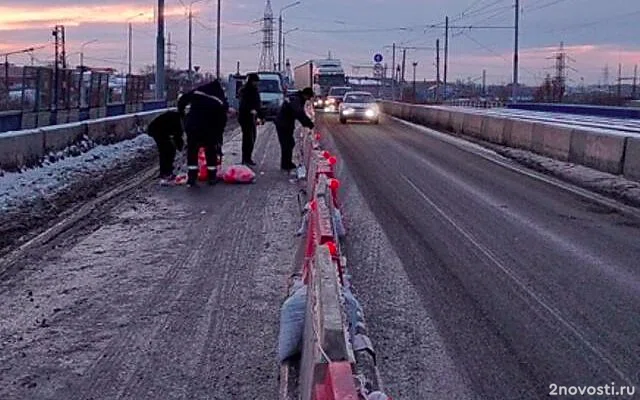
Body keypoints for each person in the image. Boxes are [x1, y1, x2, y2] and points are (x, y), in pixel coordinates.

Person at [178, 79, 229, 186]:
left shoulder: (197, 92)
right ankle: (211, 177)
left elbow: (181, 101)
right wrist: (219, 135)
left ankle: (192, 178)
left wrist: (182, 115)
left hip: (192, 127)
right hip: (209, 129)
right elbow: (222, 120)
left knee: (192, 151)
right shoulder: (219, 101)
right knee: (210, 151)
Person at [275, 87, 315, 171]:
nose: (308, 99)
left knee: (289, 143)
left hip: (285, 123)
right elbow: (299, 113)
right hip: (283, 124)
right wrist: (308, 123)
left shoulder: (296, 98)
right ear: (305, 95)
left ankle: (286, 163)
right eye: (308, 97)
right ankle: (286, 164)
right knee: (287, 144)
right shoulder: (296, 100)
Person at [146, 110, 184, 185]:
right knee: (168, 151)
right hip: (157, 130)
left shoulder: (177, 117)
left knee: (167, 150)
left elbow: (177, 136)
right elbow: (178, 136)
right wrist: (181, 148)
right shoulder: (177, 121)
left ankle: (165, 171)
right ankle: (166, 173)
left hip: (159, 130)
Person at [237, 73, 264, 166]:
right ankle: (245, 158)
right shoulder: (245, 91)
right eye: (255, 82)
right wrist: (250, 110)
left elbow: (257, 104)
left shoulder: (255, 91)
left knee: (252, 137)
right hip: (245, 117)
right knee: (248, 138)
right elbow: (243, 104)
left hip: (252, 117)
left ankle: (248, 157)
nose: (257, 84)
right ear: (251, 81)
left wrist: (261, 115)